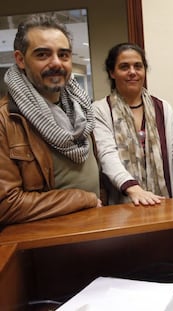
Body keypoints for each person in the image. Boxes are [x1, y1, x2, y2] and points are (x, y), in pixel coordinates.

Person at [0, 14, 102, 225]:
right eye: (43, 54)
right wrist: (83, 198)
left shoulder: (81, 108)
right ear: (20, 59)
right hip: (45, 243)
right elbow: (6, 204)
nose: (56, 63)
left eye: (63, 55)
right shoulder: (7, 119)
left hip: (93, 226)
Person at [93, 43, 173, 205]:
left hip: (163, 203)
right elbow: (107, 156)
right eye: (124, 67)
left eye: (138, 66)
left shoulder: (162, 108)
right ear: (112, 72)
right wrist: (134, 189)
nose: (132, 72)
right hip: (123, 206)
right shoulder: (100, 110)